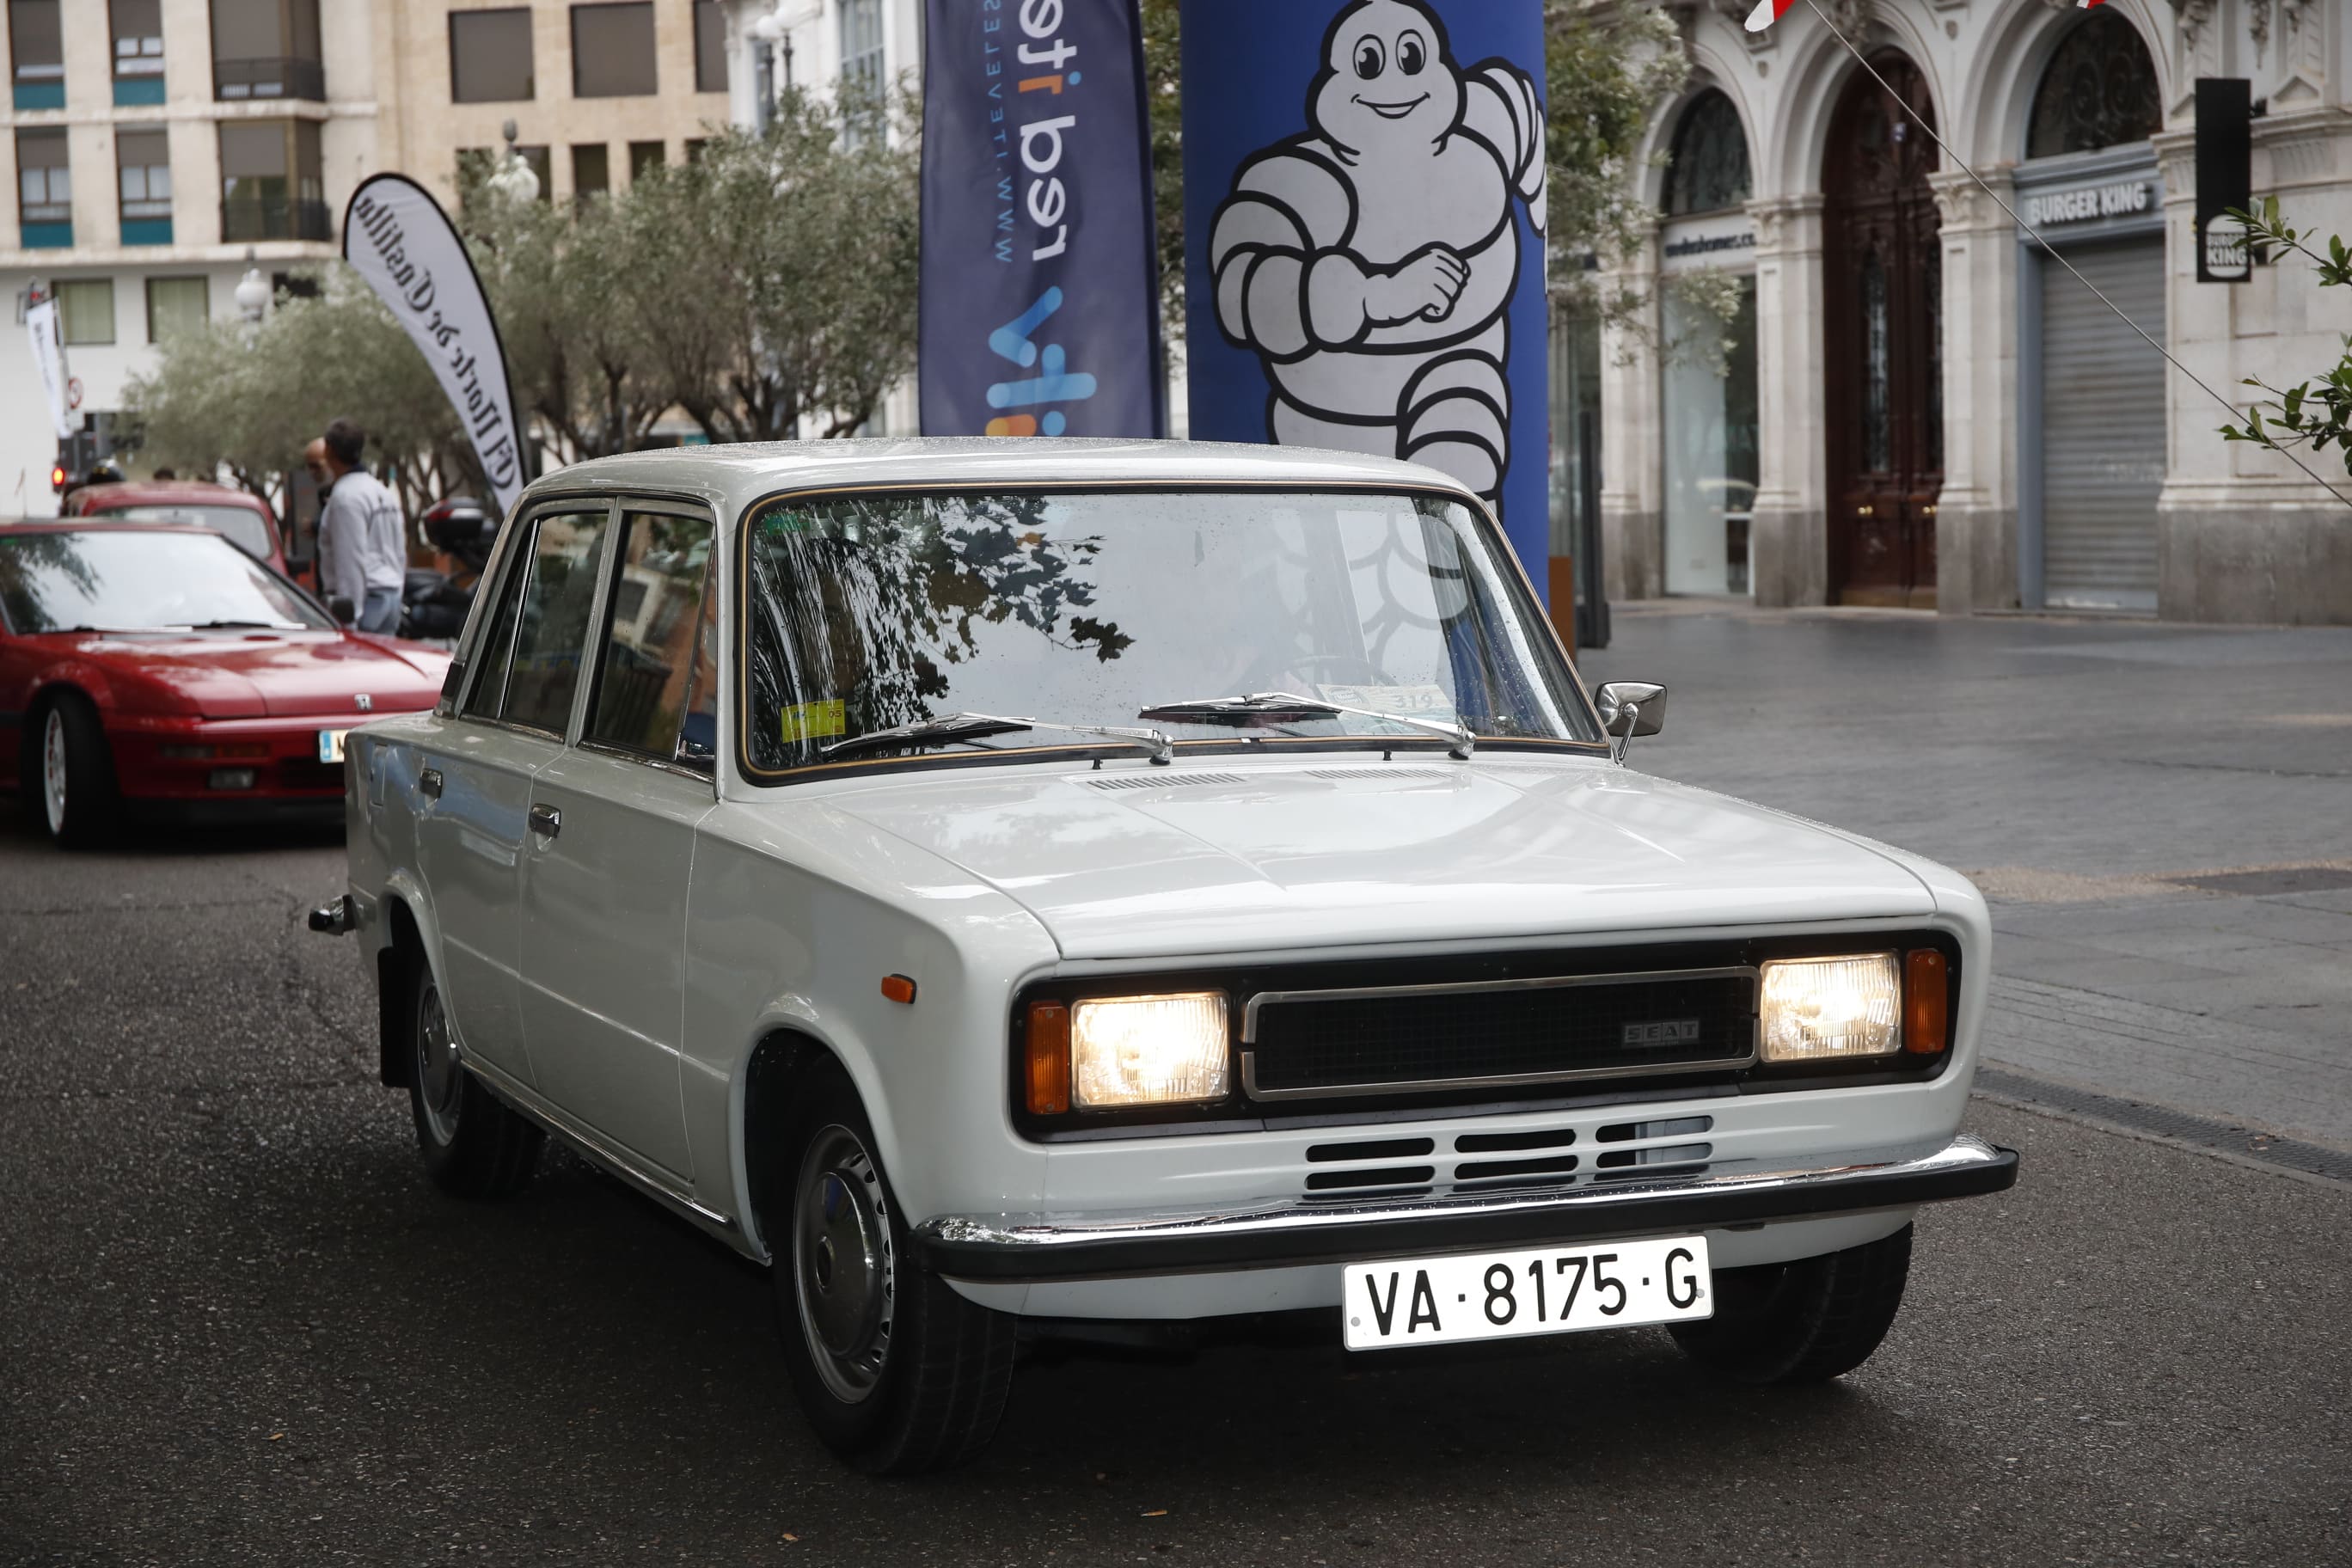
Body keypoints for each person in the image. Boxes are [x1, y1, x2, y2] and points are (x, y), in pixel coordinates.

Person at [308, 420, 407, 634]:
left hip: (366, 603)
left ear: (329, 450)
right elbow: (399, 550)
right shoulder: (380, 491)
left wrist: (349, 622)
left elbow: (350, 561)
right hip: (389, 596)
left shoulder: (345, 498)